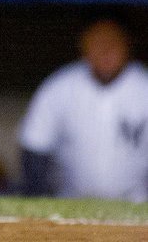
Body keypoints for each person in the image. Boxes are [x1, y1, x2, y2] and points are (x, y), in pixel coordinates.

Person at [18, 16, 148, 202]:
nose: (106, 51)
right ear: (84, 47)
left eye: (112, 44)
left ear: (127, 46)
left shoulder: (143, 86)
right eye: (98, 44)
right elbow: (34, 146)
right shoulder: (60, 86)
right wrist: (39, 201)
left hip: (137, 203)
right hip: (70, 203)